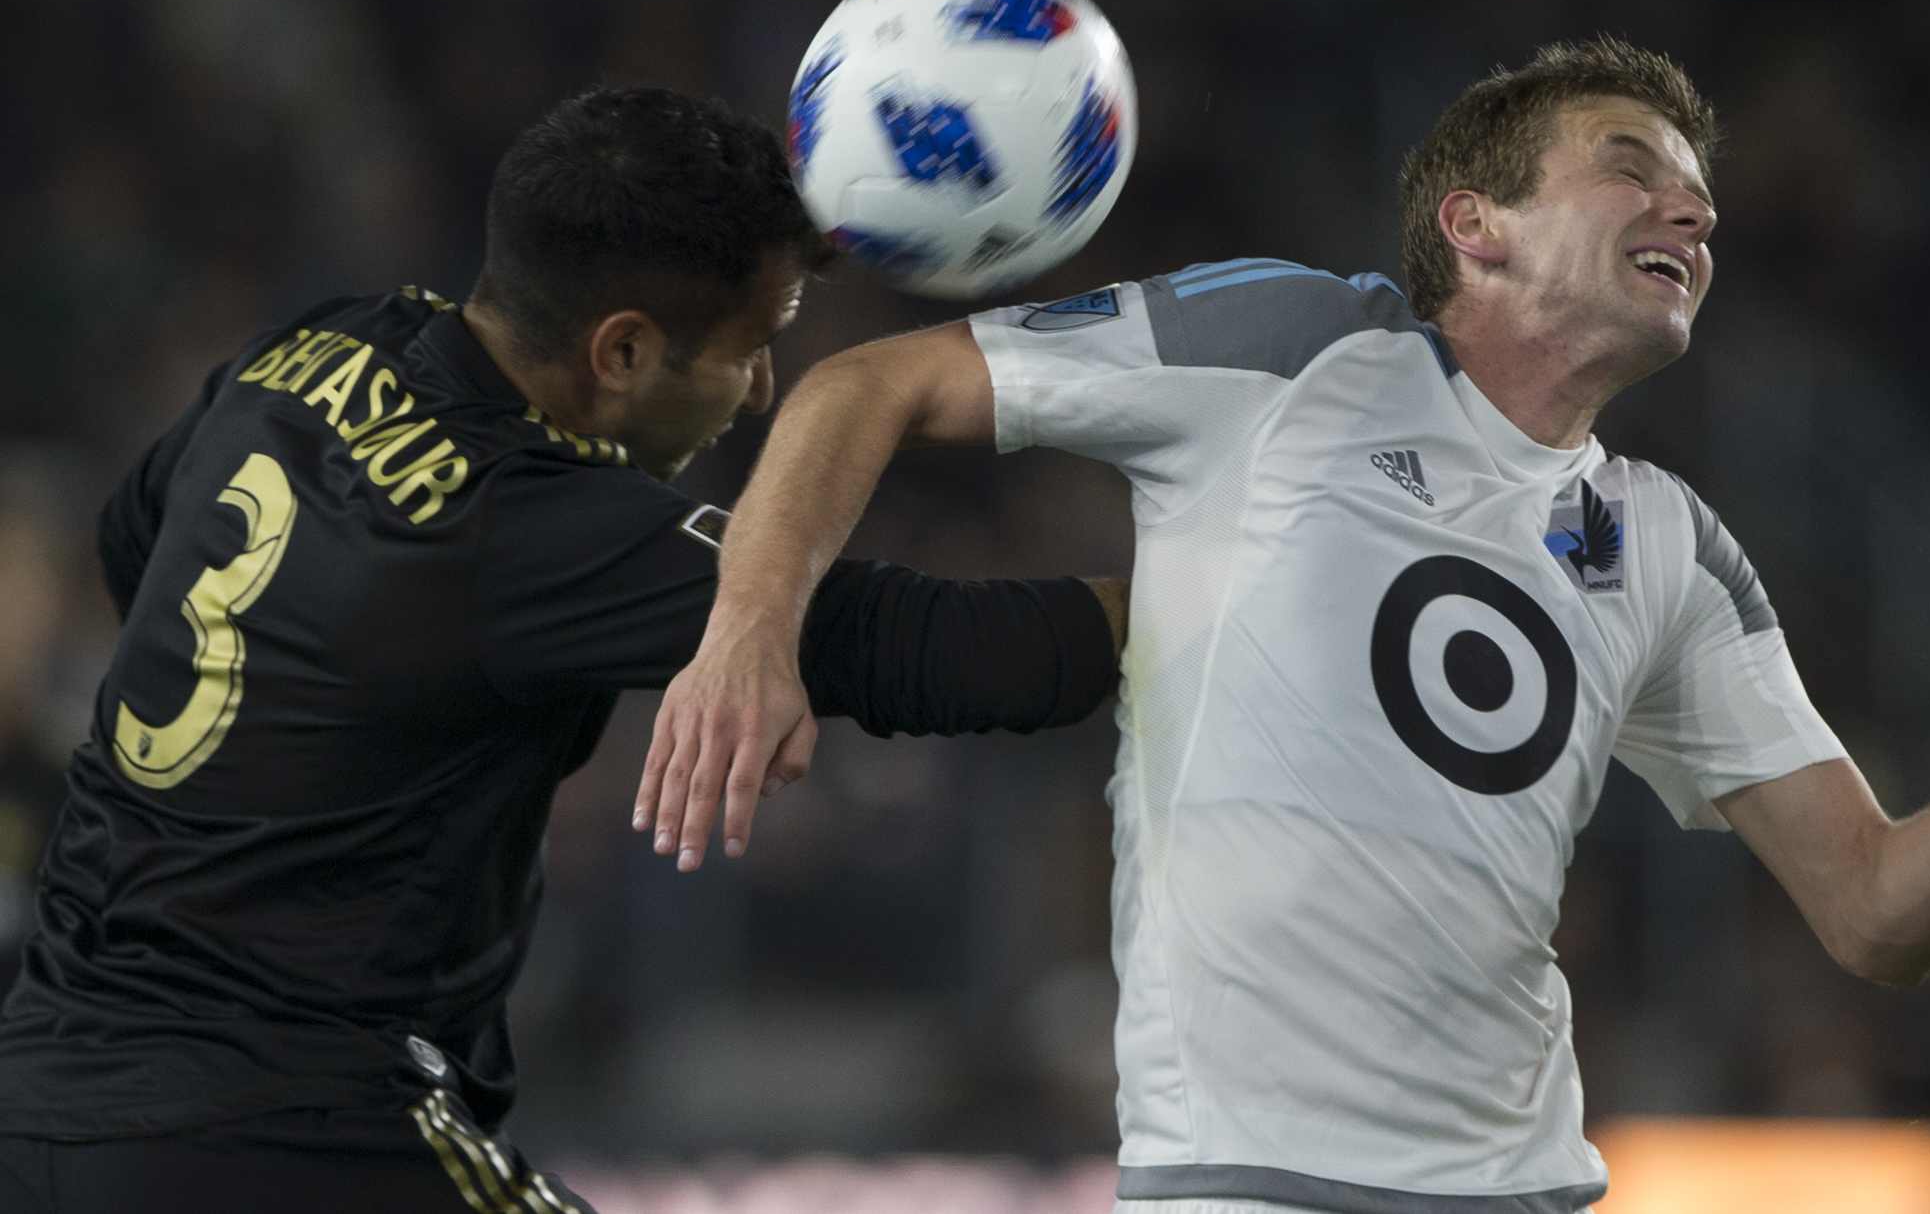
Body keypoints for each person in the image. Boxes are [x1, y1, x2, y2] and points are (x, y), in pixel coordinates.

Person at [644, 36, 1930, 1214]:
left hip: (1523, 1191)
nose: (1690, 208)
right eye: (1631, 165)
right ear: (1477, 224)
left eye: (1697, 195)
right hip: (1241, 1184)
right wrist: (749, 632)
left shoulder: (1669, 545)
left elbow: (1874, 909)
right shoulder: (1300, 349)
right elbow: (867, 384)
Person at [0, 88, 1123, 1214]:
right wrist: (1232, 596)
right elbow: (920, 646)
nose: (766, 392)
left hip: (40, 1094)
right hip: (281, 1129)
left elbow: (134, 536)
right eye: (750, 352)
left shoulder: (311, 348)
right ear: (623, 351)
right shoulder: (532, 523)